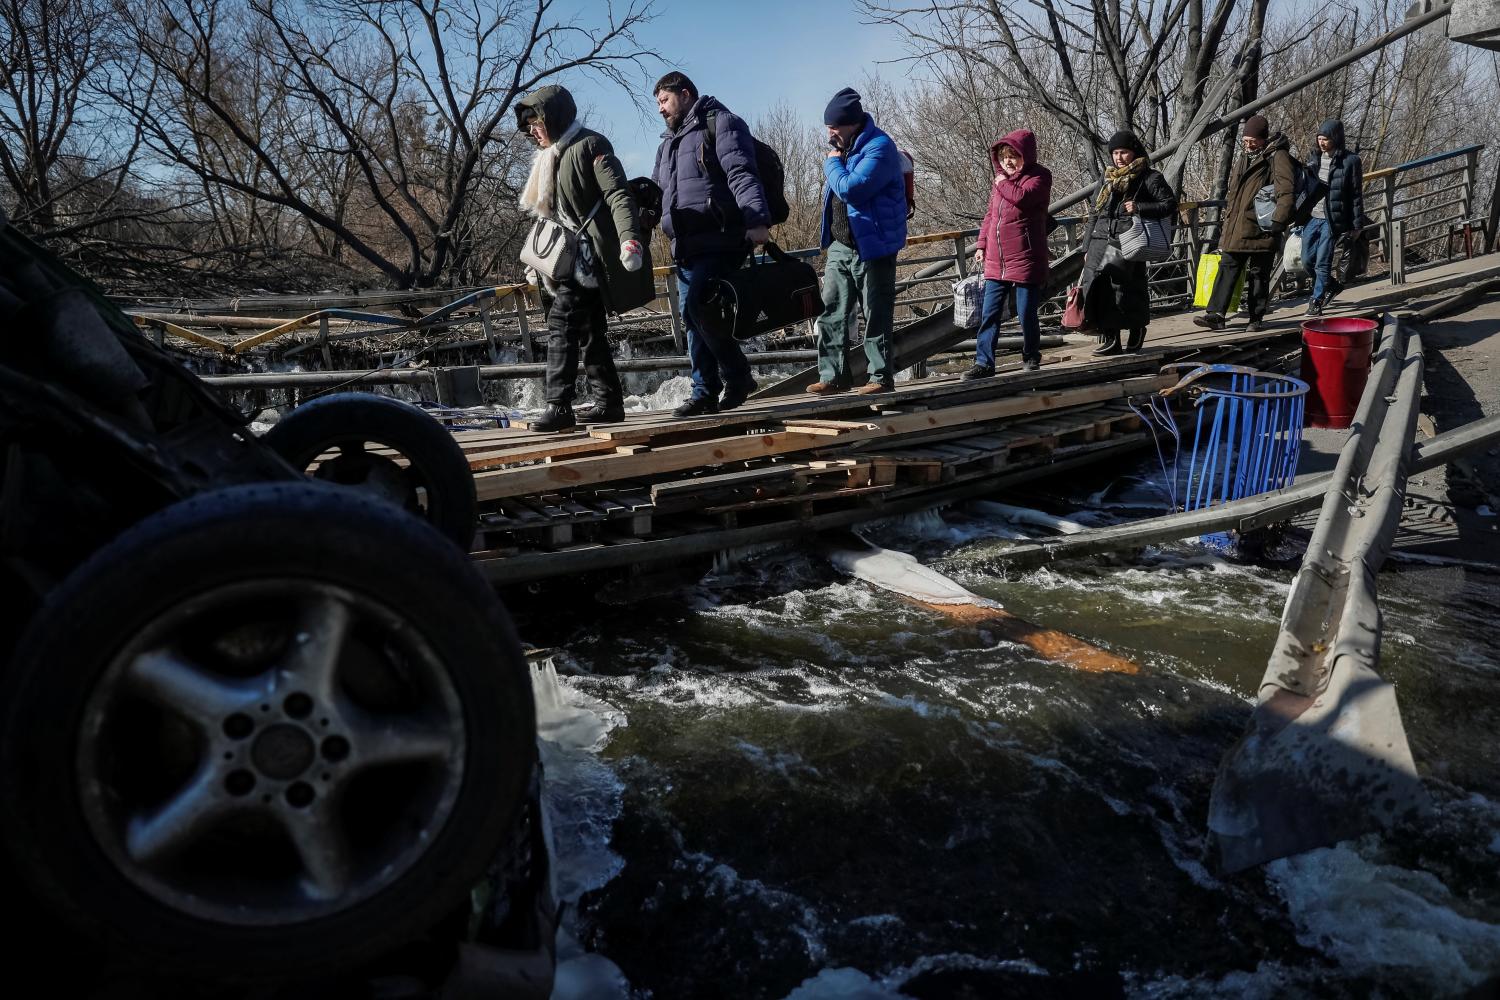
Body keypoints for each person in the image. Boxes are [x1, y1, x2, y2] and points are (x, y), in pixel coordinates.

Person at [515, 85, 652, 433]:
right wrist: (536, 261)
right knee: (591, 331)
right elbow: (550, 216)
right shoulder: (549, 157)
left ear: (553, 118)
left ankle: (559, 406)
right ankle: (608, 403)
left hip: (588, 261)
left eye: (536, 122)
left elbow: (618, 195)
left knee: (562, 325)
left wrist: (629, 240)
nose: (532, 130)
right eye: (528, 124)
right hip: (565, 258)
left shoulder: (591, 146)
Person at [652, 71, 771, 417]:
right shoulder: (667, 144)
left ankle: (730, 378)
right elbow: (660, 194)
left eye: (664, 100)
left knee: (697, 311)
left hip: (720, 238)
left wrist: (757, 220)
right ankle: (708, 391)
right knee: (695, 318)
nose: (660, 109)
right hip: (686, 244)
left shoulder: (721, 123)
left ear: (685, 94)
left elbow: (741, 172)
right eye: (658, 102)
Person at [807, 87, 909, 395]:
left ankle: (879, 377)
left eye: (834, 127)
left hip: (874, 244)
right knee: (832, 310)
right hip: (842, 243)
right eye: (828, 127)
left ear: (852, 123)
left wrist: (831, 164)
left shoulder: (880, 147)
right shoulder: (845, 150)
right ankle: (833, 375)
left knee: (876, 311)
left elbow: (852, 189)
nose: (830, 133)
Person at [963, 128, 1053, 378]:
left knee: (1025, 312)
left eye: (1014, 156)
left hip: (1026, 256)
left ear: (1026, 155)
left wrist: (1002, 183)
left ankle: (1031, 355)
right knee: (989, 313)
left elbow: (1023, 199)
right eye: (1004, 157)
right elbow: (991, 216)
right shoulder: (1000, 184)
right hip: (996, 258)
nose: (1008, 162)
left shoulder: (1040, 177)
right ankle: (984, 362)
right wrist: (981, 245)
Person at [1078, 130, 1177, 356]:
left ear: (1134, 152)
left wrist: (1140, 207)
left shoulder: (1149, 177)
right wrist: (1085, 246)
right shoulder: (1107, 178)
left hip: (1129, 239)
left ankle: (1135, 329)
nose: (1119, 157)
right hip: (1100, 238)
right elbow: (1095, 211)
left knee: (1124, 289)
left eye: (1124, 152)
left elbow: (1169, 204)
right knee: (1095, 287)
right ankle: (1111, 338)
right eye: (1115, 153)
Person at [1194, 114, 1293, 333]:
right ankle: (1216, 314)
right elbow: (1234, 192)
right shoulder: (1244, 157)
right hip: (1239, 226)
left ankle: (1255, 318)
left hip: (1263, 226)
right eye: (1245, 140)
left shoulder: (1277, 157)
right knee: (1227, 267)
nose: (1248, 144)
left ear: (1263, 139)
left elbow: (1286, 190)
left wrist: (1279, 220)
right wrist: (1227, 221)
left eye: (1252, 141)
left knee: (1259, 273)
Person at [1301, 119, 1366, 315]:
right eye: (1320, 139)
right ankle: (1331, 285)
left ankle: (1316, 300)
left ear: (1336, 139)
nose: (1322, 143)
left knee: (1323, 261)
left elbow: (1356, 194)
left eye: (1326, 139)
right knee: (1306, 260)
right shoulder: (1313, 159)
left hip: (1333, 219)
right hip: (1312, 217)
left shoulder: (1351, 161)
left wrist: (1357, 224)